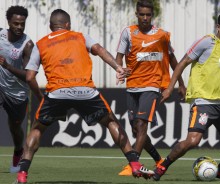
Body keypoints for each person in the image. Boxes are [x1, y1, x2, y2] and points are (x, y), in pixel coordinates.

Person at [15, 9, 154, 184]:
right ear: (68, 24)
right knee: (111, 122)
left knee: (37, 128)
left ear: (51, 26)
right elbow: (100, 50)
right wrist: (118, 67)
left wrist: (40, 96)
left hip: (57, 92)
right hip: (85, 91)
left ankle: (22, 175)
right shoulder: (81, 36)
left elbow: (29, 77)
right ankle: (134, 163)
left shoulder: (41, 43)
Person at [153, 10, 220, 181]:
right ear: (218, 27)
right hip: (204, 102)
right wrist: (170, 87)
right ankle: (163, 165)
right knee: (193, 141)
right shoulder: (206, 42)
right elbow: (182, 63)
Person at [116, 0, 186, 176]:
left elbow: (173, 60)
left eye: (148, 15)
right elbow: (119, 57)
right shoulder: (128, 33)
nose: (145, 18)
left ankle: (134, 163)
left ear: (152, 15)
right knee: (135, 129)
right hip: (132, 86)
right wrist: (119, 70)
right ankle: (157, 159)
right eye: (142, 15)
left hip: (152, 85)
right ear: (137, 14)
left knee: (141, 124)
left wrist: (180, 83)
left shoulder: (162, 35)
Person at [0, 5, 34, 173]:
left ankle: (18, 151)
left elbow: (28, 76)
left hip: (17, 94)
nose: (19, 27)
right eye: (16, 23)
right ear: (9, 22)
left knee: (15, 128)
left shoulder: (27, 45)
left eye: (22, 23)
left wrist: (7, 66)